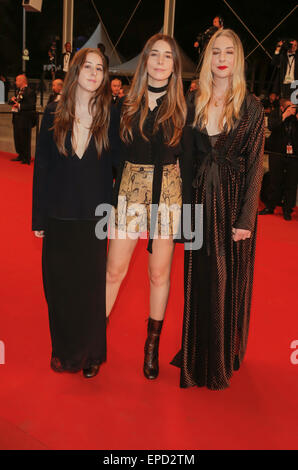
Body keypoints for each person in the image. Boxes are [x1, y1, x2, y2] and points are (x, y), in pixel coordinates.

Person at [171, 29, 265, 390]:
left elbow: (255, 166)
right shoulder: (194, 100)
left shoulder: (252, 106)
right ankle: (196, 353)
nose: (222, 58)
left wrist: (246, 219)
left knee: (227, 279)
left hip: (231, 202)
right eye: (215, 52)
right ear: (207, 58)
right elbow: (186, 161)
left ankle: (221, 357)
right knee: (197, 278)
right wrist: (182, 215)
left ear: (237, 59)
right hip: (197, 201)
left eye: (228, 52)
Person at [32, 48, 121, 378]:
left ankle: (92, 353)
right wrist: (39, 217)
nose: (95, 72)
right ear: (75, 70)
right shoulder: (54, 112)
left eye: (100, 68)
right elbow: (42, 167)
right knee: (59, 287)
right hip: (58, 214)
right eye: (89, 66)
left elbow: (120, 165)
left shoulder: (110, 115)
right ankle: (64, 350)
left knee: (91, 288)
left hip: (94, 217)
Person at [106, 33, 187, 380]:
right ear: (145, 61)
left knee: (159, 274)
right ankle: (96, 340)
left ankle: (150, 348)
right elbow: (111, 155)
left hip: (167, 194)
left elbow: (195, 159)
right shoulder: (124, 105)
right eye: (154, 54)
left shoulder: (186, 107)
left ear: (174, 66)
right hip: (129, 191)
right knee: (114, 270)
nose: (159, 61)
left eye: (167, 56)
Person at [259, 99, 298, 220]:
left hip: (294, 155)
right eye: (290, 107)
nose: (293, 110)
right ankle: (270, 207)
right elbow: (271, 126)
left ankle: (287, 210)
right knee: (274, 181)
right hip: (277, 153)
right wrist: (284, 116)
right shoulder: (275, 114)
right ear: (282, 108)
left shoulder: (296, 116)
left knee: (291, 183)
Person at [10, 74, 36, 165]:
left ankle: (26, 157)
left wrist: (19, 105)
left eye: (17, 80)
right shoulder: (19, 91)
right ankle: (20, 155)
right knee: (17, 138)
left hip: (25, 119)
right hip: (17, 118)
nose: (15, 82)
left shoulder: (30, 91)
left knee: (25, 138)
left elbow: (32, 105)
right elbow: (16, 102)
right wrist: (13, 100)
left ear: (22, 81)